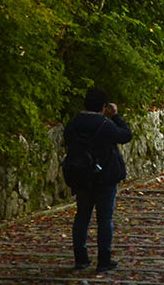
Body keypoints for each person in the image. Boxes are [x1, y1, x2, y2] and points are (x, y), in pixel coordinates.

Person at [65, 87, 133, 272]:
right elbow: (126, 135)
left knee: (82, 217)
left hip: (81, 177)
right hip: (105, 177)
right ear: (104, 106)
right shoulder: (105, 124)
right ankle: (104, 260)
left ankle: (80, 258)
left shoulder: (73, 124)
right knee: (104, 219)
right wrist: (116, 116)